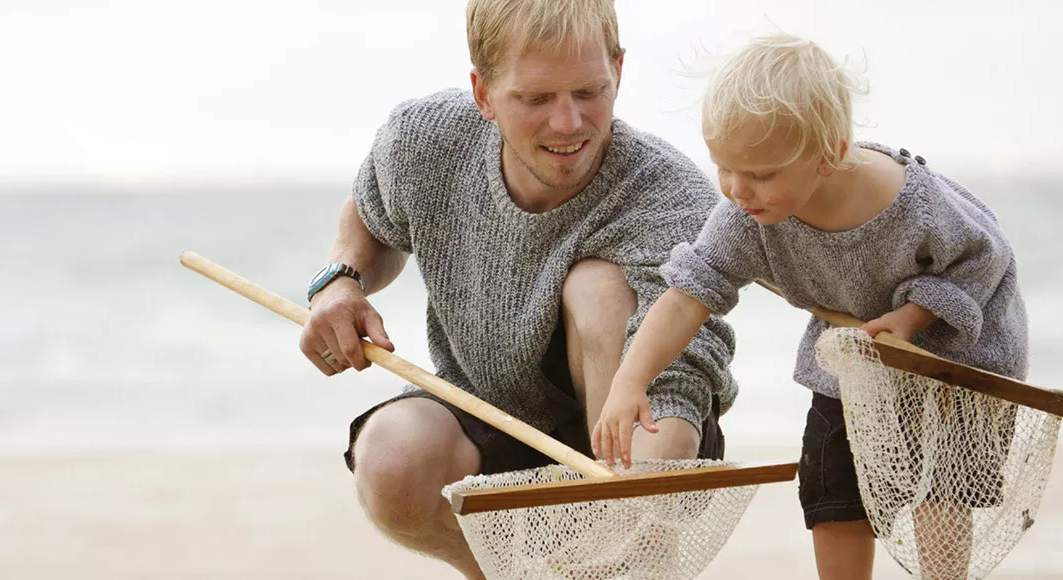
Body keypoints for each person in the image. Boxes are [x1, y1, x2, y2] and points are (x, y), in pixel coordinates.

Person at [296, 1, 738, 577]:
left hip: (638, 437)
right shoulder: (426, 142)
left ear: (619, 71)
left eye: (589, 92)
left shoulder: (668, 195)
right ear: (482, 92)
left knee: (598, 290)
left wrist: (640, 518)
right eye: (535, 99)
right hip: (491, 412)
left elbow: (679, 381)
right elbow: (373, 210)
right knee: (391, 456)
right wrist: (339, 282)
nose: (569, 124)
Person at [593, 33, 1028, 580]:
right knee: (830, 485)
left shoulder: (906, 201)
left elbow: (985, 261)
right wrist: (630, 379)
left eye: (760, 174)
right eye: (723, 167)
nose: (736, 189)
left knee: (938, 488)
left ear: (829, 152)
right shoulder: (744, 215)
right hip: (856, 354)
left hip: (953, 361)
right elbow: (686, 297)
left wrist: (914, 317)